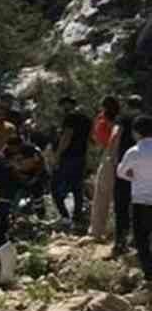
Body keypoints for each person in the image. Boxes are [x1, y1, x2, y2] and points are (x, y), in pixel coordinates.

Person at [116, 115, 152, 284]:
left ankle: (149, 273)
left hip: (141, 201)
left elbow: (120, 172)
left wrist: (133, 176)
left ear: (136, 132)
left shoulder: (133, 152)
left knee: (141, 238)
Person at [110, 94, 144, 255]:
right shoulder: (146, 119)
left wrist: (113, 159)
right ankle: (140, 242)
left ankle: (120, 241)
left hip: (125, 165)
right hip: (143, 168)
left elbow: (115, 135)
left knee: (121, 203)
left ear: (127, 104)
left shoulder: (122, 118)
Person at [51, 96, 91, 228]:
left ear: (67, 105)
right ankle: (77, 216)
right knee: (77, 188)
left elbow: (66, 137)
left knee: (55, 186)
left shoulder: (70, 118)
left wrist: (57, 155)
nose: (62, 108)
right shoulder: (86, 119)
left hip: (68, 157)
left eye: (63, 105)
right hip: (81, 157)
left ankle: (64, 216)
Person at [89, 95, 121, 242]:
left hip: (109, 156)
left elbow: (100, 139)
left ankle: (97, 230)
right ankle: (118, 230)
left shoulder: (103, 120)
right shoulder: (121, 121)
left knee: (101, 195)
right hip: (123, 157)